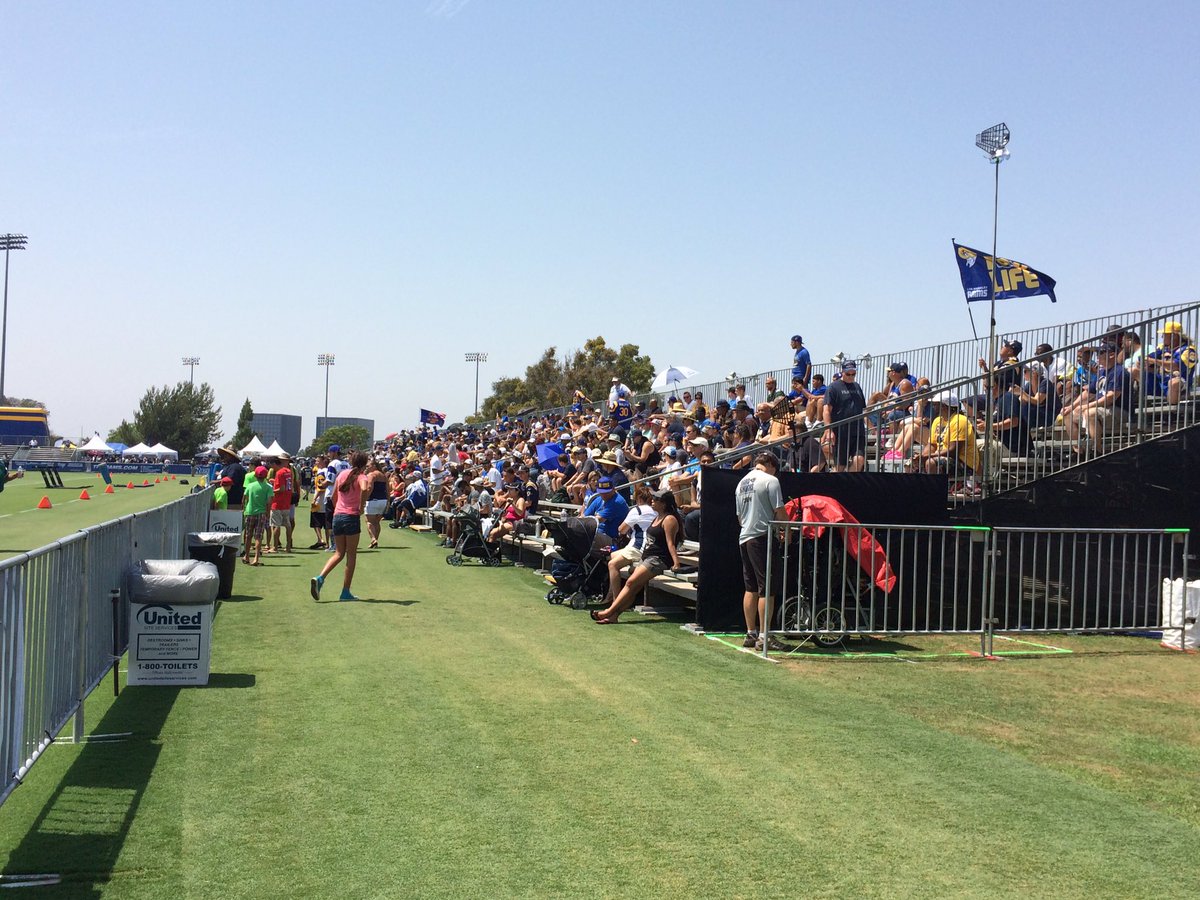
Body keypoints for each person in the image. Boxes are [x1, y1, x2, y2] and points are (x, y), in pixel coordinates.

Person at [591, 489, 683, 624]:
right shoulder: (657, 516)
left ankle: (609, 611)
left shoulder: (669, 519)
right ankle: (614, 617)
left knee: (630, 583)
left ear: (663, 504)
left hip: (658, 559)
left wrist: (676, 563)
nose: (652, 501)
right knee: (633, 587)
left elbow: (671, 543)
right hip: (647, 556)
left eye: (656, 499)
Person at [735, 452, 787, 651]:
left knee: (751, 587)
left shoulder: (741, 483)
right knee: (767, 588)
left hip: (745, 536)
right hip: (762, 537)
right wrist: (787, 530)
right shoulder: (770, 480)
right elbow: (780, 511)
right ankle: (765, 637)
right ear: (772, 465)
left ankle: (751, 633)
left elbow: (739, 518)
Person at [311, 450, 368, 602]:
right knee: (351, 555)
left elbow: (334, 495)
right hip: (351, 517)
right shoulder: (362, 476)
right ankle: (345, 592)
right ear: (364, 464)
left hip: (338, 516)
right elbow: (364, 488)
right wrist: (361, 507)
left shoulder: (342, 474)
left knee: (338, 553)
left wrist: (338, 508)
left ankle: (320, 578)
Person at [604, 484, 656, 605]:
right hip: (650, 547)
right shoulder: (656, 511)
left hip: (638, 547)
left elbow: (621, 529)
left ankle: (617, 601)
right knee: (611, 556)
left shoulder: (636, 510)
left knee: (612, 564)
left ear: (639, 499)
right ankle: (610, 595)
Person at [821, 359, 867, 472]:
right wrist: (828, 430)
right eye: (848, 374)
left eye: (853, 374)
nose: (851, 376)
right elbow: (826, 410)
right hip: (841, 432)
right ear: (842, 372)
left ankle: (848, 481)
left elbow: (863, 409)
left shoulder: (857, 386)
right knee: (840, 466)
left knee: (859, 460)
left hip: (858, 431)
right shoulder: (833, 387)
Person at [582, 476, 629, 550]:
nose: (604, 495)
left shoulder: (617, 501)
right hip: (599, 533)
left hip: (613, 539)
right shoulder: (599, 499)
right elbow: (584, 517)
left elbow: (597, 520)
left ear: (613, 489)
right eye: (602, 492)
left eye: (607, 492)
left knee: (585, 536)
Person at [242, 465, 274, 566]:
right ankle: (256, 558)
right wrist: (267, 513)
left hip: (249, 512)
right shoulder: (268, 487)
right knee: (258, 536)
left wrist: (244, 508)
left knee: (248, 535)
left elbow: (244, 498)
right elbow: (269, 502)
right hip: (261, 513)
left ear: (255, 475)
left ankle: (247, 556)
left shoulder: (250, 486)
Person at [267, 457, 293, 553]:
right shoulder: (288, 471)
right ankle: (288, 546)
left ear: (274, 464)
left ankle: (275, 547)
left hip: (278, 502)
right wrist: (275, 482)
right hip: (287, 501)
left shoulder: (279, 473)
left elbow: (281, 489)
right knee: (287, 524)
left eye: (271, 465)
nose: (271, 467)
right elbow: (287, 485)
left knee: (275, 524)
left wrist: (271, 491)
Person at [362, 458, 389, 548]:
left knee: (369, 521)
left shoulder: (371, 475)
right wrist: (388, 501)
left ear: (374, 466)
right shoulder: (383, 476)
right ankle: (375, 541)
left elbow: (369, 488)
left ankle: (373, 539)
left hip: (373, 500)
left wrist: (364, 499)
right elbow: (388, 490)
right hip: (383, 500)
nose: (367, 468)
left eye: (368, 466)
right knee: (377, 522)